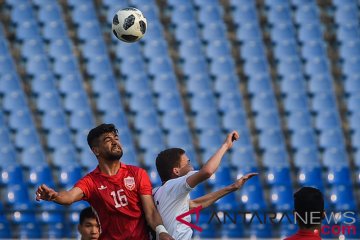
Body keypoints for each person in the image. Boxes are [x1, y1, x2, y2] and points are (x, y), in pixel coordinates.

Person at [36, 123, 174, 240]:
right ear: (96, 150)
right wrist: (55, 196)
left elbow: (150, 211)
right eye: (108, 140)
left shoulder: (137, 173)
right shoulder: (91, 182)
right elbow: (69, 196)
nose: (115, 142)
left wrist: (162, 231)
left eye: (116, 138)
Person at [153, 131, 258, 239]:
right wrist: (226, 145)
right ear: (176, 171)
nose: (192, 167)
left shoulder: (158, 191)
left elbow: (194, 204)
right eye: (188, 163)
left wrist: (232, 187)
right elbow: (207, 171)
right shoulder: (174, 186)